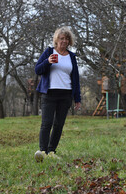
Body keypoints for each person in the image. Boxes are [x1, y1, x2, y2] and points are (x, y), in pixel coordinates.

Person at [34, 26, 81, 162]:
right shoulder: (49, 52)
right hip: (49, 93)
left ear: (69, 41)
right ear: (56, 39)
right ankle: (42, 151)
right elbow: (38, 70)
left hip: (65, 95)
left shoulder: (71, 57)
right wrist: (48, 62)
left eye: (67, 39)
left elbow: (76, 78)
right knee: (46, 123)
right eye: (61, 38)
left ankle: (52, 151)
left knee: (59, 124)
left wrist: (77, 98)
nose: (64, 41)